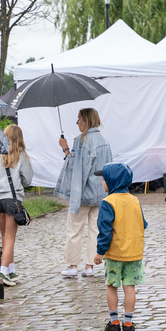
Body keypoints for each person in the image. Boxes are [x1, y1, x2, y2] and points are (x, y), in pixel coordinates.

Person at [55, 108, 113, 278]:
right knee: (96, 230)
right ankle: (89, 267)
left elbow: (77, 169)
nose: (77, 122)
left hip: (83, 193)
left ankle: (73, 266)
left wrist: (66, 149)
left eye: (79, 119)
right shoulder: (104, 141)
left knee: (74, 229)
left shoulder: (81, 141)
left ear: (86, 120)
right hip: (101, 192)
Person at [94, 163, 148, 331]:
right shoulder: (135, 200)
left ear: (112, 181)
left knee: (112, 286)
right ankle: (129, 323)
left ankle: (114, 320)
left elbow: (105, 231)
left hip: (115, 254)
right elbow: (143, 224)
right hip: (134, 253)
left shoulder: (108, 203)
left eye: (104, 179)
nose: (102, 182)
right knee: (129, 286)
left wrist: (99, 252)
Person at [0, 124, 33, 286]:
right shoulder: (21, 156)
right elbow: (27, 180)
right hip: (12, 200)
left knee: (5, 236)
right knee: (10, 237)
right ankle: (3, 272)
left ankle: (11, 270)